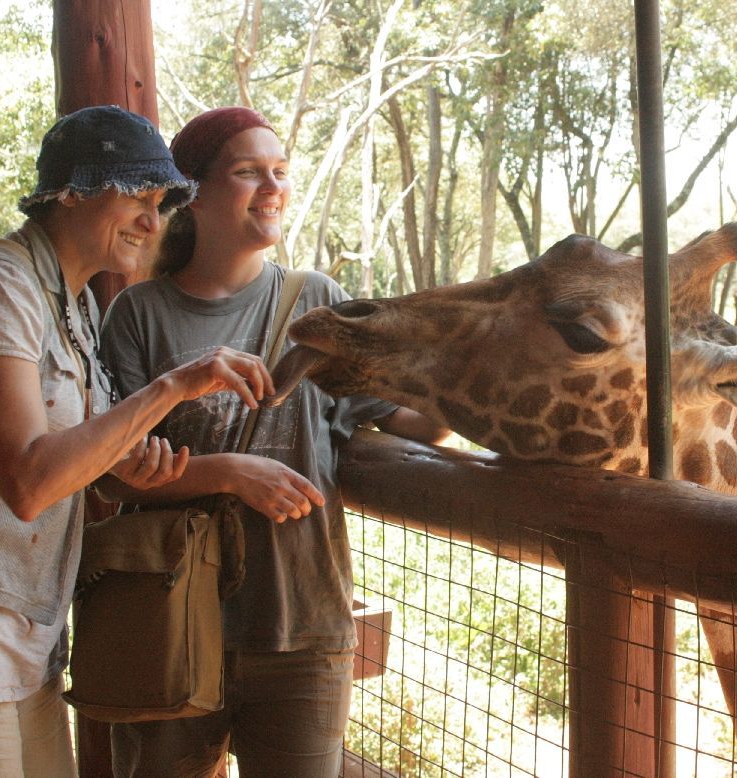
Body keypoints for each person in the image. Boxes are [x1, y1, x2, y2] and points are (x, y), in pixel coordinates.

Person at [0, 105, 280, 777]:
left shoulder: (73, 306)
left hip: (31, 629)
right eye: (136, 195)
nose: (152, 222)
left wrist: (135, 465)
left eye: (160, 204)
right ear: (69, 191)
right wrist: (172, 388)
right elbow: (30, 482)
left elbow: (92, 465)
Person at [99, 106, 448, 777]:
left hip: (304, 628)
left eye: (281, 172)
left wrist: (454, 361)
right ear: (192, 192)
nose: (273, 186)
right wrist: (233, 472)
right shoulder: (139, 315)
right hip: (166, 623)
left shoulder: (314, 300)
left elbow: (418, 423)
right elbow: (112, 473)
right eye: (248, 171)